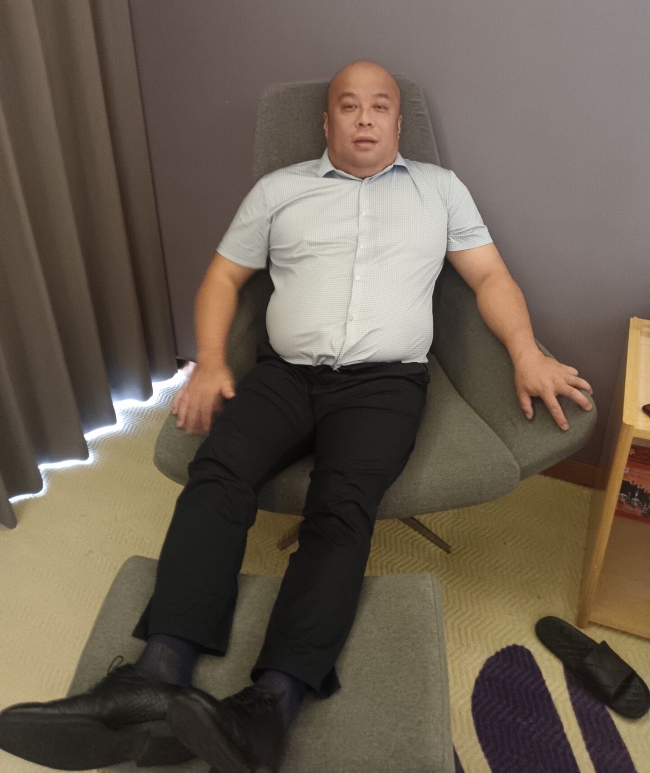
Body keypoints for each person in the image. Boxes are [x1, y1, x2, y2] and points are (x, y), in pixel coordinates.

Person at [0, 61, 593, 772]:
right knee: (218, 473)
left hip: (384, 386)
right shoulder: (279, 190)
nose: (365, 118)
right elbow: (224, 276)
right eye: (349, 105)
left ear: (399, 123)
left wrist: (525, 352)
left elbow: (489, 274)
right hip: (284, 375)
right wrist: (212, 360)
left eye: (380, 106)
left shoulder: (440, 189)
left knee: (341, 509)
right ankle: (155, 675)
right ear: (326, 120)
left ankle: (268, 709)